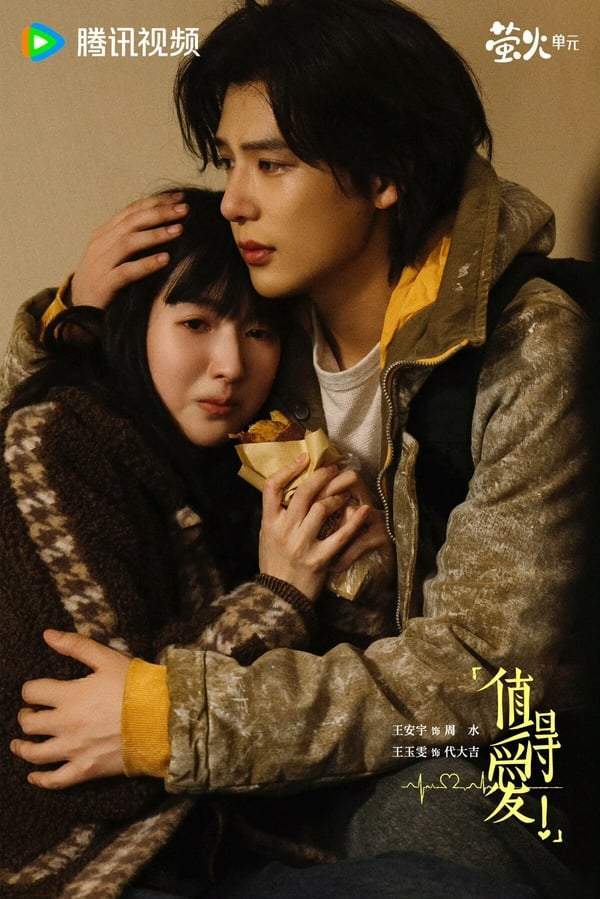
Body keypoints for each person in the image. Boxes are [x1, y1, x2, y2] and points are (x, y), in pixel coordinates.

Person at [4, 0, 595, 895]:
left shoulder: (527, 346)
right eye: (228, 161)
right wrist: (77, 320)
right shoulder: (264, 330)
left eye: (271, 164)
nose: (234, 201)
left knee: (447, 828)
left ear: (383, 174)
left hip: (482, 749)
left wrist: (176, 719)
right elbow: (80, 448)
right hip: (277, 764)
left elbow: (487, 670)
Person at [0, 187, 384, 898]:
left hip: (242, 822)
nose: (230, 363)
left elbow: (336, 675)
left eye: (259, 331)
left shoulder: (249, 453)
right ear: (133, 324)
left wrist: (358, 558)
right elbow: (100, 736)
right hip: (102, 858)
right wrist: (280, 595)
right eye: (196, 323)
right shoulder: (53, 442)